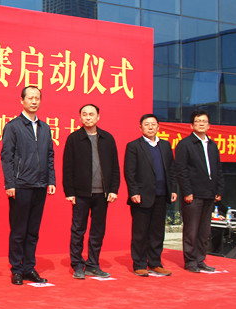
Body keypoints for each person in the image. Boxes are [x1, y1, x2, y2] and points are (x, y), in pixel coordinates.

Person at [1, 86, 55, 285]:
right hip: (20, 185)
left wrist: (51, 180)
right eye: (30, 98)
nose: (34, 101)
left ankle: (29, 267)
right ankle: (16, 269)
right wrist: (10, 183)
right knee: (18, 230)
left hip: (40, 185)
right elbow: (6, 157)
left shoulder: (45, 127)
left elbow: (49, 155)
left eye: (37, 98)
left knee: (33, 230)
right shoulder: (13, 126)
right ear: (22, 101)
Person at [62, 104, 120, 279]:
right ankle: (78, 265)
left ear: (98, 117)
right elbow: (67, 167)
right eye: (84, 114)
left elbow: (115, 167)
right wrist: (69, 192)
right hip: (80, 194)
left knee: (97, 231)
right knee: (78, 230)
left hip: (102, 193)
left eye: (91, 114)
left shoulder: (108, 138)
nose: (88, 117)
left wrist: (113, 189)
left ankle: (93, 264)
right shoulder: (74, 138)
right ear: (80, 117)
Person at [123, 114, 177, 277]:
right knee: (140, 232)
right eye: (146, 124)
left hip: (161, 194)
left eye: (153, 124)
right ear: (140, 128)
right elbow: (129, 172)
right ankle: (139, 264)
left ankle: (155, 263)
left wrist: (173, 189)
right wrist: (134, 192)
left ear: (158, 127)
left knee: (157, 232)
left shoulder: (165, 145)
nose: (150, 127)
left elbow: (171, 170)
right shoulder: (134, 146)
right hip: (141, 196)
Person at [174, 110, 224, 273]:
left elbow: (218, 169)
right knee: (191, 230)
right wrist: (187, 192)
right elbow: (181, 170)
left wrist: (219, 189)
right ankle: (190, 261)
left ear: (209, 125)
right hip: (193, 194)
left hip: (209, 193)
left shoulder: (212, 145)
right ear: (192, 125)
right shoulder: (185, 144)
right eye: (198, 121)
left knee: (204, 230)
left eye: (204, 121)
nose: (201, 124)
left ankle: (200, 259)